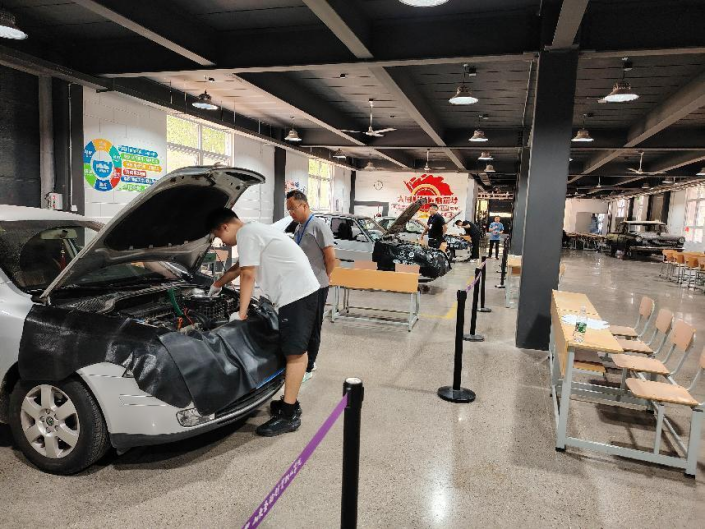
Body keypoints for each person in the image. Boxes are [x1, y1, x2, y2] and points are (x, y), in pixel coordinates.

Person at [206, 208, 320, 437]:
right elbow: (240, 267)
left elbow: (247, 274)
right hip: (302, 291)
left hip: (296, 294)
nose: (222, 242)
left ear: (225, 227)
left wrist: (242, 313)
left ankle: (288, 415)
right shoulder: (254, 229)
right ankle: (289, 402)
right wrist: (217, 284)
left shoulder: (246, 234)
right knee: (294, 350)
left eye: (219, 237)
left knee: (295, 353)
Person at [285, 190, 336, 382]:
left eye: (293, 208)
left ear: (304, 205)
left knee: (313, 326)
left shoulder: (318, 226)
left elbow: (330, 257)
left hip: (317, 286)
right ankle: (301, 360)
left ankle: (309, 365)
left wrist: (325, 276)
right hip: (303, 285)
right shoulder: (299, 227)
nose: (291, 213)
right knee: (302, 325)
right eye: (288, 210)